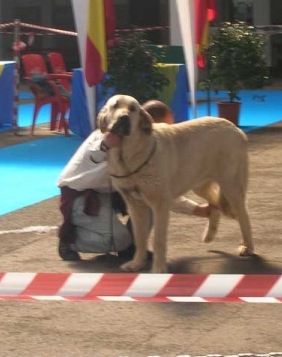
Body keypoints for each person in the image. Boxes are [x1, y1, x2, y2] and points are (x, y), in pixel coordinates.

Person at [56, 100, 213, 261]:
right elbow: (93, 154)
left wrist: (196, 209)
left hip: (109, 192)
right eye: (163, 130)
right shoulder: (110, 136)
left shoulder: (148, 147)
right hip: (81, 195)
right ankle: (70, 241)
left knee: (150, 200)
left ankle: (131, 248)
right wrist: (106, 145)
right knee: (117, 240)